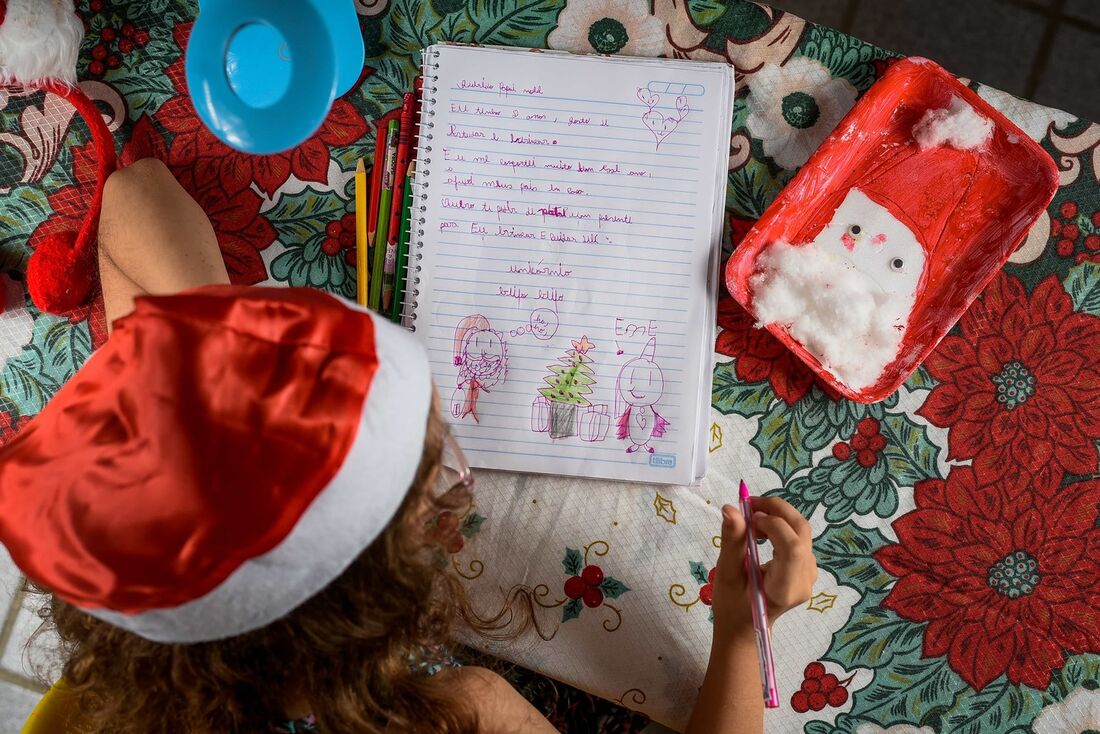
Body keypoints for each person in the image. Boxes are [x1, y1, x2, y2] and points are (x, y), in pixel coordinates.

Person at [0, 159, 818, 733]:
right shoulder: (467, 715)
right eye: (440, 472)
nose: (457, 480)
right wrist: (743, 631)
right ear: (386, 593)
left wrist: (233, 372)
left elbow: (134, 197)